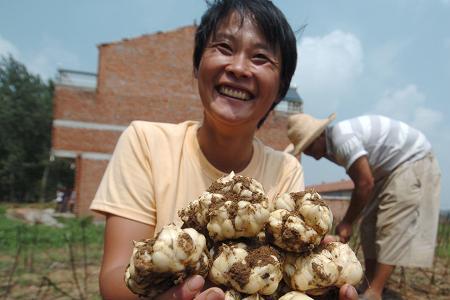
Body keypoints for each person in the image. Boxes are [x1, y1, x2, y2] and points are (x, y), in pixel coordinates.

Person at [90, 1, 358, 299]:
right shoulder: (145, 141)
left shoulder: (286, 168)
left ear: (281, 88)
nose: (239, 68)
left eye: (260, 57)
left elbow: (284, 276)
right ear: (197, 64)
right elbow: (115, 278)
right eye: (224, 48)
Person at [286, 113, 441, 300]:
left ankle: (374, 291)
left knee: (391, 225)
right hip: (385, 173)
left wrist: (347, 222)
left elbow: (364, 183)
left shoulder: (342, 140)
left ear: (320, 136)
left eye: (309, 146)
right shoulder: (331, 147)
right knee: (368, 225)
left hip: (411, 162)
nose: (309, 153)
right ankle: (368, 282)